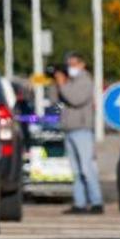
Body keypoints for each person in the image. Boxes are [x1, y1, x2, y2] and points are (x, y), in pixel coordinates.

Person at [48, 52, 103, 215]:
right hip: (69, 129)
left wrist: (63, 84)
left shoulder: (85, 80)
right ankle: (79, 203)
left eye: (73, 64)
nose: (70, 68)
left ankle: (96, 201)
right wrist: (55, 83)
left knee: (87, 168)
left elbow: (75, 99)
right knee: (76, 171)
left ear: (82, 64)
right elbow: (56, 105)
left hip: (82, 130)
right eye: (68, 65)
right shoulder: (67, 82)